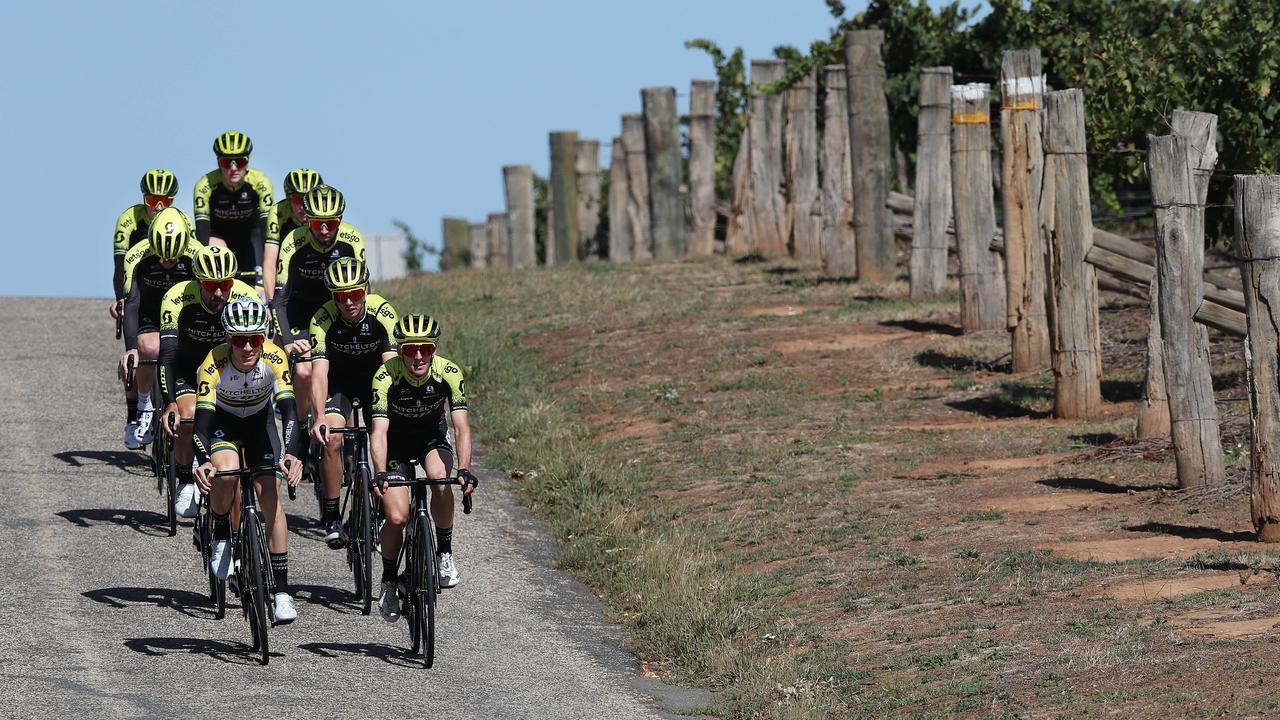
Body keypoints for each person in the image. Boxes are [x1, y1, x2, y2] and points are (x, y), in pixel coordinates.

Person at [192, 299, 303, 623]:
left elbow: (290, 412)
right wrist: (203, 460)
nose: (247, 347)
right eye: (239, 340)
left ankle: (281, 592)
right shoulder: (213, 363)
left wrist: (291, 453)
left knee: (270, 493)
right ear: (227, 338)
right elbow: (201, 424)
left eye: (254, 338)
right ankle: (223, 532)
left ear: (263, 338)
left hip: (260, 424)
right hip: (223, 423)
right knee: (225, 473)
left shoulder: (274, 356)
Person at [369, 315, 477, 622]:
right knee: (397, 515)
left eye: (425, 349)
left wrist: (465, 468)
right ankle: (390, 580)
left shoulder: (450, 373)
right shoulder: (385, 376)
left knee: (440, 479)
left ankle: (444, 552)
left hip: (431, 438)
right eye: (411, 349)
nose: (418, 356)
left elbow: (461, 427)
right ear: (401, 349)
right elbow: (378, 432)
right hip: (396, 444)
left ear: (434, 349)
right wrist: (379, 472)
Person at [158, 245, 259, 517]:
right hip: (186, 368)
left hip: (226, 371)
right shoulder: (177, 297)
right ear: (198, 282)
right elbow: (166, 355)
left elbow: (261, 352)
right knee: (188, 414)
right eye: (211, 285)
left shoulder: (246, 296)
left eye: (225, 285)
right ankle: (185, 478)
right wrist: (170, 404)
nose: (218, 293)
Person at [308, 257, 398, 547]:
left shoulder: (382, 312)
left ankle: (383, 505)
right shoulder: (322, 319)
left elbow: (392, 369)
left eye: (355, 294)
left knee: (384, 437)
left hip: (376, 382)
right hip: (340, 384)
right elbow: (319, 373)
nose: (349, 301)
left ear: (366, 290)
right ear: (333, 297)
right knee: (332, 438)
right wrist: (319, 415)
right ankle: (333, 515)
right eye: (341, 296)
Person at [273, 184, 365, 422]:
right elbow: (279, 300)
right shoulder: (293, 242)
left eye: (331, 224)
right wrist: (289, 342)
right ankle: (302, 429)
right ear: (307, 221)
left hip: (335, 313)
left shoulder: (352, 240)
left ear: (340, 220)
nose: (324, 231)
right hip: (299, 314)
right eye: (317, 224)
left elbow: (363, 293)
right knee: (304, 372)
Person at [119, 207, 200, 449]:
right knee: (150, 348)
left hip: (183, 315)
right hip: (149, 314)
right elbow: (131, 304)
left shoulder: (197, 254)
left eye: (173, 258)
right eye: (162, 257)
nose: (167, 264)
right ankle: (144, 405)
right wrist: (132, 348)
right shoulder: (136, 256)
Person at [112, 169, 180, 443]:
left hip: (175, 300)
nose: (159, 206)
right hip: (142, 294)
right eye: (153, 200)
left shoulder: (180, 224)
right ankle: (138, 411)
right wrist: (120, 298)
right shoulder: (129, 221)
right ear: (144, 198)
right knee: (141, 352)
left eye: (165, 200)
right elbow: (121, 269)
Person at [193, 131, 273, 288]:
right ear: (218, 163)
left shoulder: (261, 182)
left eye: (240, 162)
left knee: (257, 291)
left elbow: (267, 229)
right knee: (216, 281)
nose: (233, 168)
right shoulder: (204, 184)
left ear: (248, 162)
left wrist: (267, 268)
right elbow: (202, 230)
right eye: (226, 162)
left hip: (251, 238)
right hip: (218, 237)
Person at [263, 168, 323, 301]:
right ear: (288, 200)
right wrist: (271, 303)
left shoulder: (324, 216)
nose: (303, 206)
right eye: (297, 199)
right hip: (288, 277)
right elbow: (269, 262)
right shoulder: (278, 213)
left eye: (309, 199)